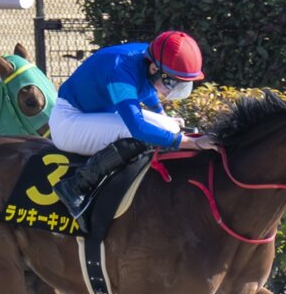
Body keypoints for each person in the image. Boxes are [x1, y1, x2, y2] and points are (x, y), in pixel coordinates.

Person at [51, 30, 219, 220]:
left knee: (168, 127)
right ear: (155, 69)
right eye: (174, 82)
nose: (177, 89)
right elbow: (137, 128)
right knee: (142, 133)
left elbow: (145, 87)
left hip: (99, 113)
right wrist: (191, 142)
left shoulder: (147, 59)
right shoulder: (120, 70)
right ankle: (76, 186)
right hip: (70, 121)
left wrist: (161, 114)